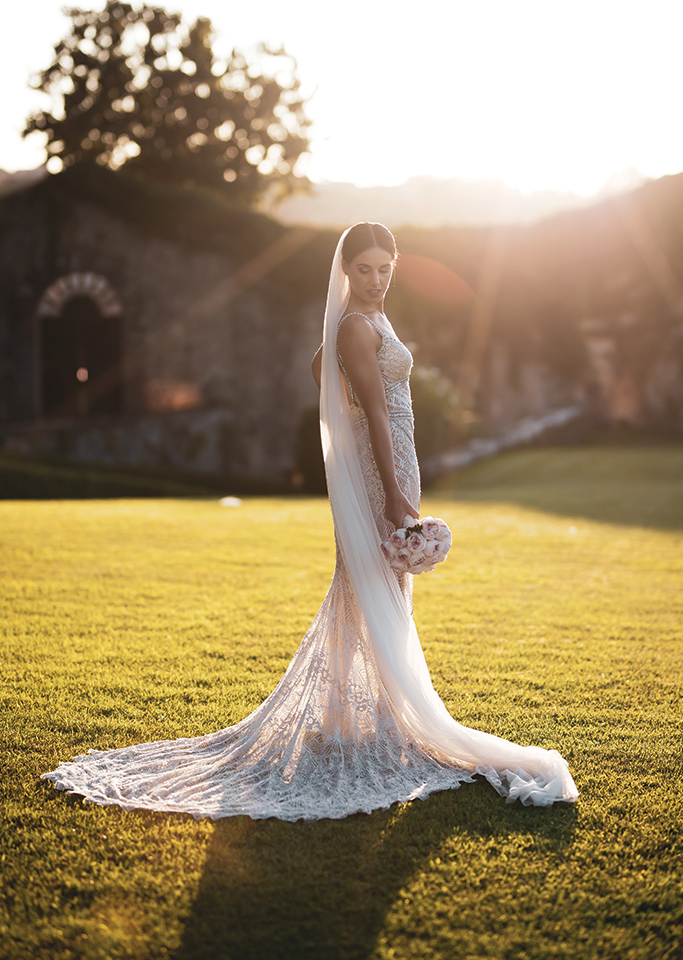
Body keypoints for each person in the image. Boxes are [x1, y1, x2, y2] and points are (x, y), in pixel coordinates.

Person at [41, 223, 578, 819]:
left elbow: (322, 372)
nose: (376, 279)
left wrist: (375, 440)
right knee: (369, 581)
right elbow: (372, 407)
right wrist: (396, 495)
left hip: (398, 456)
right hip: (385, 468)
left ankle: (353, 717)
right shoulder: (353, 324)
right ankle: (365, 719)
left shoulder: (367, 321)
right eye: (365, 269)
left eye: (385, 267)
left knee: (372, 584)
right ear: (346, 271)